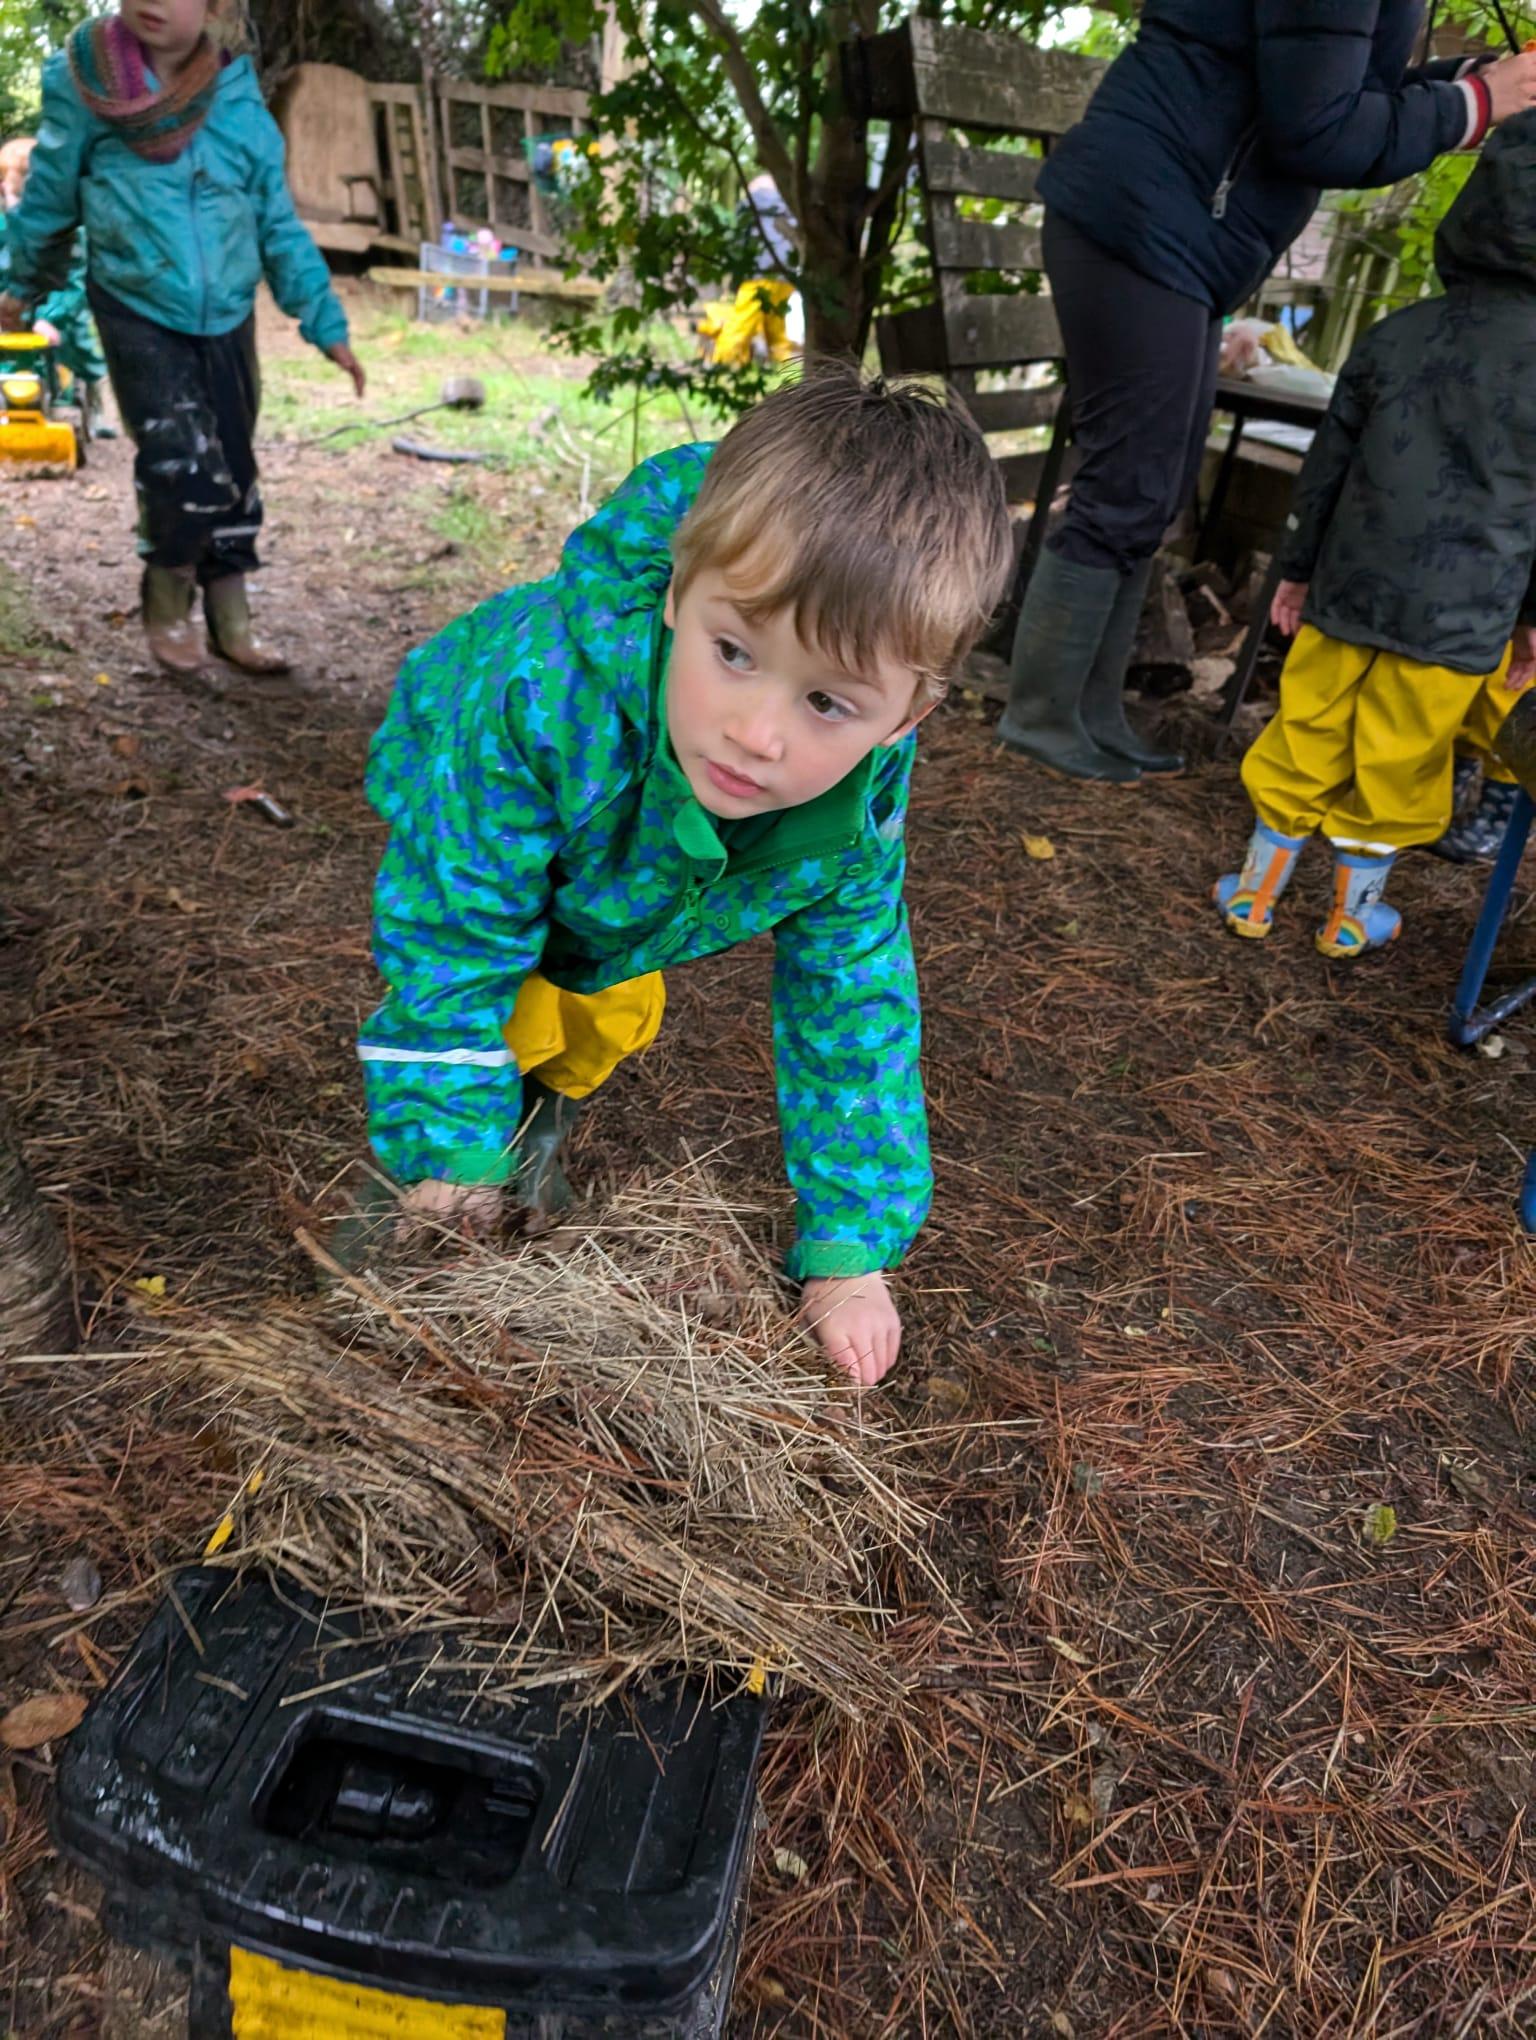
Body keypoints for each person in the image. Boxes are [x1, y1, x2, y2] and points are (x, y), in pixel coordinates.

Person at [357, 370, 1012, 1387]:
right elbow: (454, 934)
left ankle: (534, 1126)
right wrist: (448, 1157)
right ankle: (438, 1178)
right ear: (675, 593)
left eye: (828, 703)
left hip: (641, 872)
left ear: (907, 717)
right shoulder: (537, 698)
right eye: (733, 652)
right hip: (480, 805)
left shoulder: (854, 813)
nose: (756, 733)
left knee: (599, 1009)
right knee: (497, 984)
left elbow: (852, 1000)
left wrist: (850, 1248)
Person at [997, 1, 1536, 785]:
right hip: (1143, 220)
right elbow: (1319, 130)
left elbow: (1338, 86)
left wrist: (1469, 81)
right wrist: (1477, 104)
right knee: (1128, 486)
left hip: (1182, 233)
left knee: (1155, 489)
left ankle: (1092, 710)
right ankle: (1040, 715)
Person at [1213, 113, 1536, 960]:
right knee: (1404, 759)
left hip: (1347, 592)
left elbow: (1323, 469)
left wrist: (1295, 570)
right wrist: (1531, 620)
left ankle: (1253, 896)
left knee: (1305, 730)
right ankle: (1351, 919)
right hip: (1461, 619)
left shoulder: (1399, 335)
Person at [0, 0, 365, 676]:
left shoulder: (236, 100)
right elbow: (49, 196)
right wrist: (21, 285)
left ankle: (231, 614)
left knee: (234, 464)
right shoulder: (86, 84)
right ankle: (167, 594)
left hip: (227, 309)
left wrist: (325, 321)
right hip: (136, 302)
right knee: (180, 461)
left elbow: (277, 223)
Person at [0, 137, 110, 430]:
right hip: (9, 310)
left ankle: (75, 395)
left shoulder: (67, 234)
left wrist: (50, 318)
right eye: (9, 195)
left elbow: (74, 283)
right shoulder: (3, 228)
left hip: (55, 310)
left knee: (70, 344)